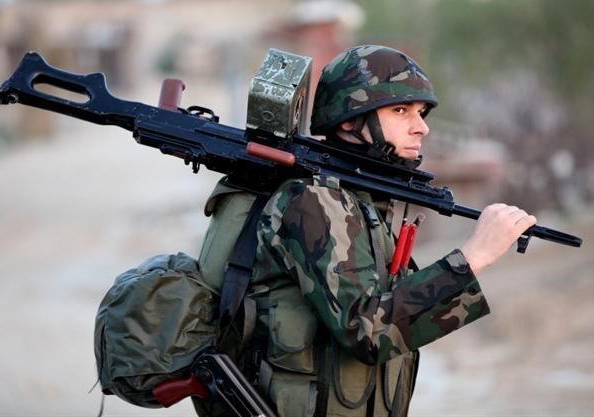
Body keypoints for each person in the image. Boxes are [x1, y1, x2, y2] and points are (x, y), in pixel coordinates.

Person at [199, 45, 537, 417]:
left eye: (421, 112)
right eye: (400, 111)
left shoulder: (357, 199)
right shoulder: (313, 200)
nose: (421, 127)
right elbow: (368, 331)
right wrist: (472, 258)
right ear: (349, 120)